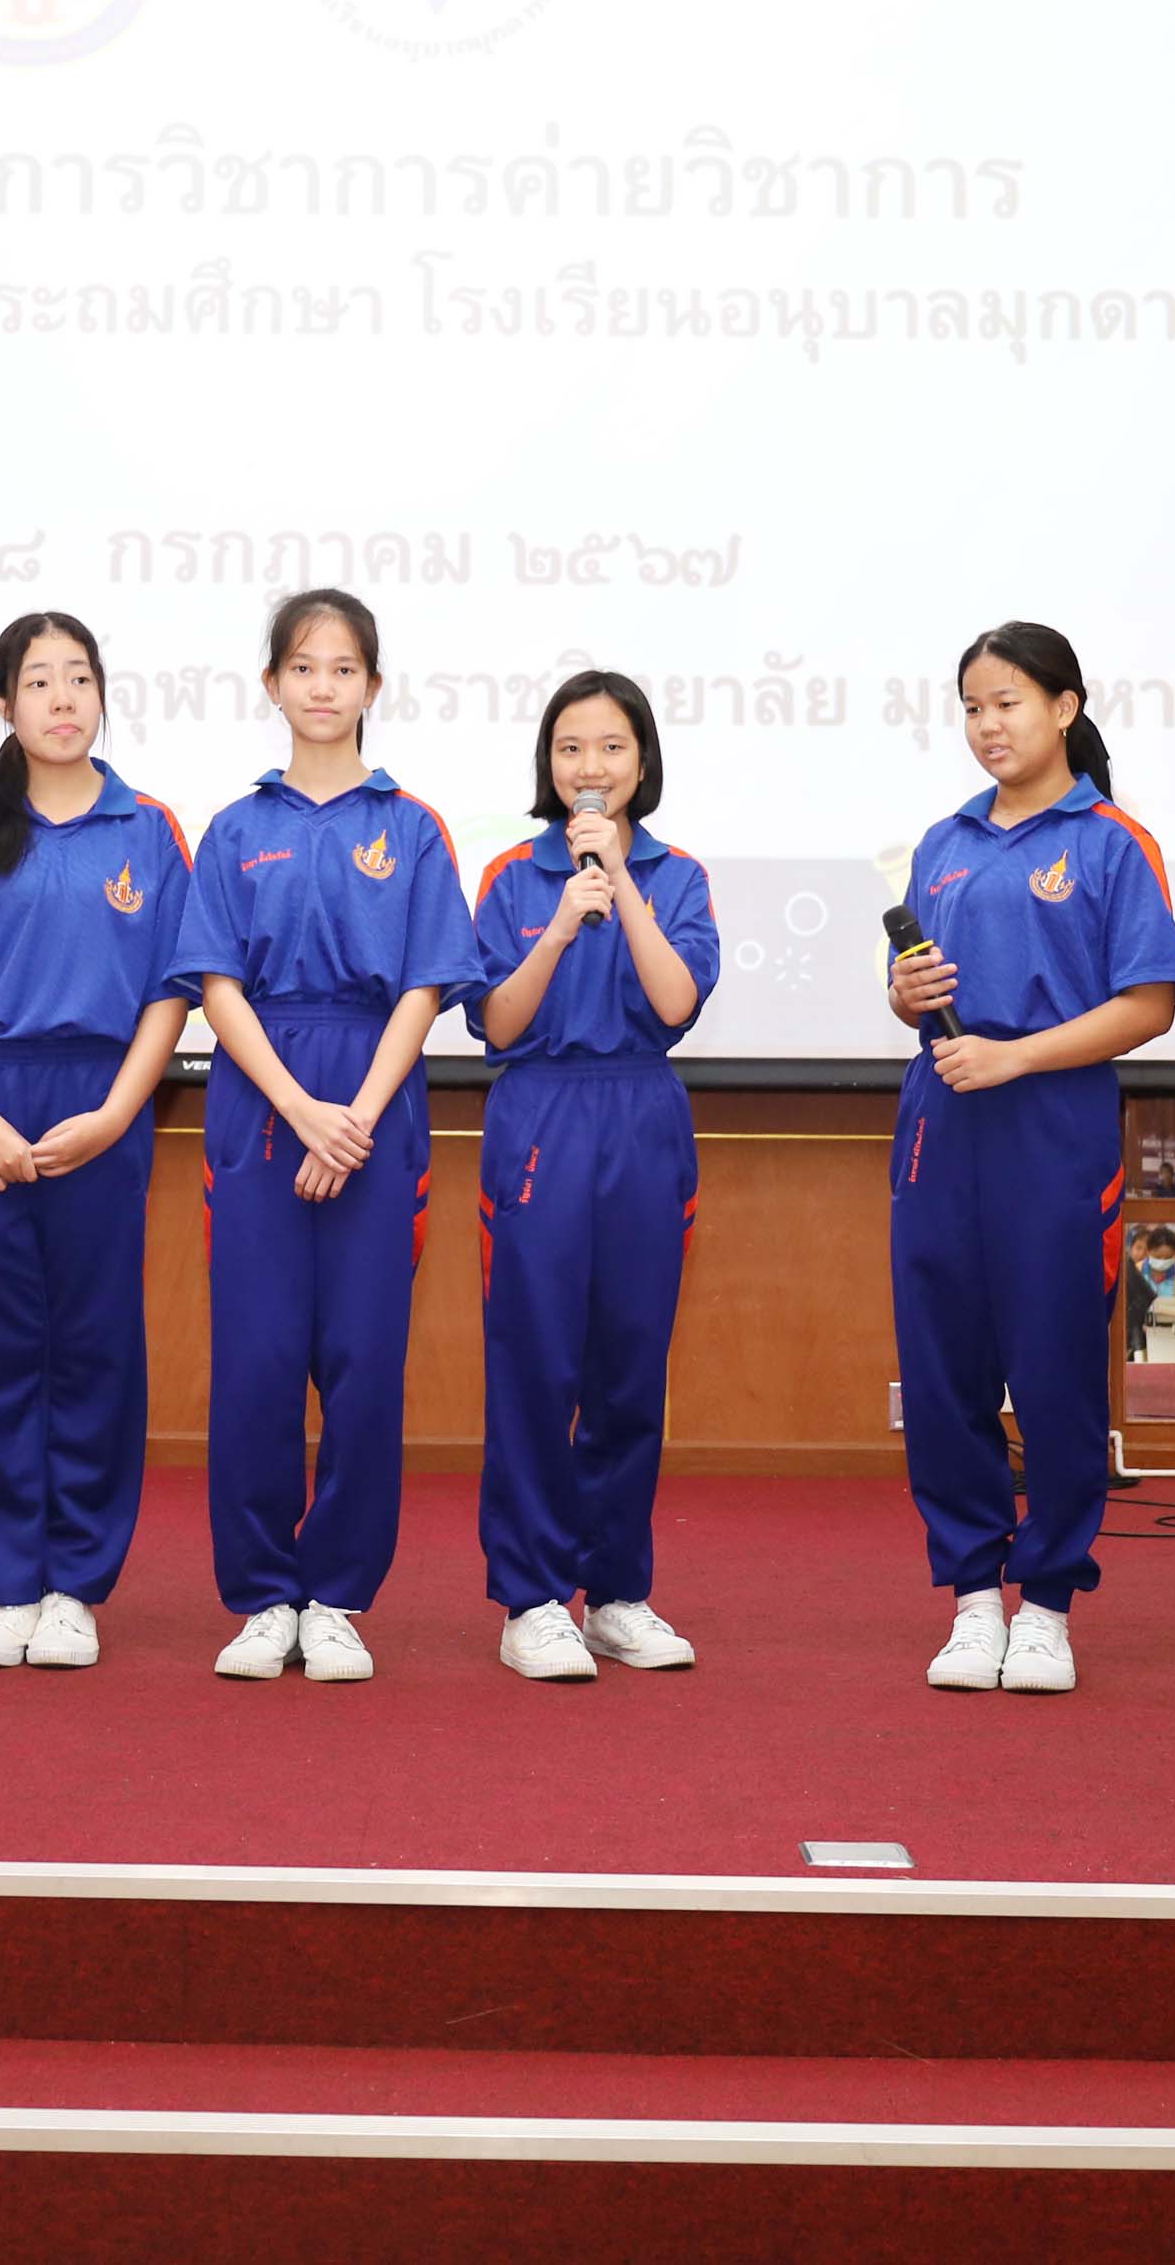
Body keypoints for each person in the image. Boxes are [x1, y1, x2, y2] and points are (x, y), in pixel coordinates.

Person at [173, 588, 479, 1683]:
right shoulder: (234, 829)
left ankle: (339, 1597)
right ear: (272, 684)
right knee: (256, 1361)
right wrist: (300, 1108)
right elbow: (215, 984)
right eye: (302, 667)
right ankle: (263, 1596)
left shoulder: (412, 826)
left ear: (373, 687)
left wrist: (354, 1115)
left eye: (343, 669)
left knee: (363, 1363)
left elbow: (427, 984)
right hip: (262, 1099)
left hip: (376, 1098)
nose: (322, 687)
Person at [885, 622, 1175, 1696]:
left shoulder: (1111, 841)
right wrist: (903, 995)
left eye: (1007, 702)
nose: (987, 725)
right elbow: (913, 989)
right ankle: (974, 1598)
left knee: (1054, 1372)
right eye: (972, 706)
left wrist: (1015, 1056)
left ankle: (1048, 1604)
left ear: (1064, 707)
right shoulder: (944, 840)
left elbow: (1149, 1004)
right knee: (942, 1371)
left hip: (1052, 1122)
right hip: (942, 1119)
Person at [0, 613, 194, 1672]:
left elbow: (174, 988)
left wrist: (116, 1113)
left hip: (103, 1100)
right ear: (2, 702)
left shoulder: (148, 826)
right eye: (38, 681)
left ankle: (74, 1586)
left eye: (79, 679)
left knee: (95, 1349)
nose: (62, 699)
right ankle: (6, 1581)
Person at [460, 670, 720, 1682]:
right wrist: (563, 921)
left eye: (611, 747)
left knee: (629, 1367)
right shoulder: (512, 876)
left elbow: (676, 1003)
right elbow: (495, 1022)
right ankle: (530, 1598)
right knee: (535, 1367)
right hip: (540, 1116)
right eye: (571, 748)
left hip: (642, 1117)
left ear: (642, 762)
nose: (590, 768)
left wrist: (625, 886)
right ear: (548, 762)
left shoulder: (679, 875)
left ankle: (614, 1593)